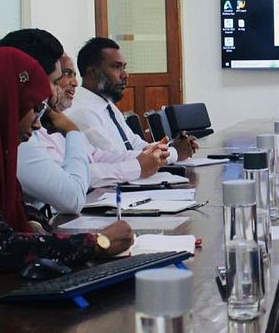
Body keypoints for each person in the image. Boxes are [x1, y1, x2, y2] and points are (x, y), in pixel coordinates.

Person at [0, 48, 133, 309]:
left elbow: (13, 205)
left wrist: (32, 220)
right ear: (4, 103)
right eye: (33, 109)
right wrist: (97, 242)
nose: (39, 124)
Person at [17, 53, 168, 214]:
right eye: (63, 76)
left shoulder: (60, 120)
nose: (75, 83)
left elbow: (96, 155)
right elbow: (73, 187)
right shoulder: (32, 131)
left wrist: (151, 155)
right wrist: (136, 166)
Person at [66, 37, 197, 161]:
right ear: (92, 72)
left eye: (124, 67)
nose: (125, 75)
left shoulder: (107, 105)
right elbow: (117, 159)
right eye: (116, 67)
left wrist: (171, 145)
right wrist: (175, 152)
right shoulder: (82, 112)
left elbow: (135, 144)